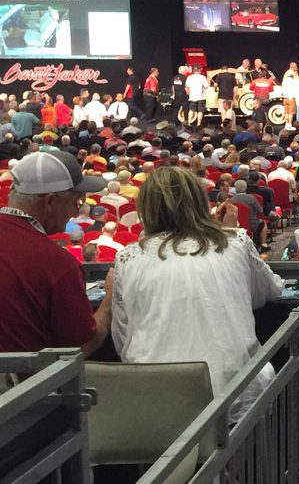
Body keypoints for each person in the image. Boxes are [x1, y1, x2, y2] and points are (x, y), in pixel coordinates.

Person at [111, 165, 284, 422]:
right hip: (235, 397)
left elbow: (124, 341)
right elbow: (269, 290)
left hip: (157, 404)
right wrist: (230, 231)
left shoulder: (128, 260)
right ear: (199, 202)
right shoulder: (235, 242)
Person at [0, 149, 112, 354]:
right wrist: (109, 300)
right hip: (24, 384)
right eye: (75, 202)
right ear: (50, 201)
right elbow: (78, 348)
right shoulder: (57, 264)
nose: (76, 211)